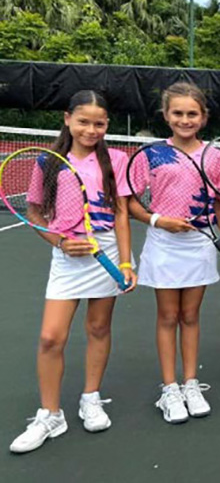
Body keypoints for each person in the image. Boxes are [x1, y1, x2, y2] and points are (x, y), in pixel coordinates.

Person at [10, 90, 136, 454]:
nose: (91, 130)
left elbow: (122, 214)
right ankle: (50, 414)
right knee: (51, 337)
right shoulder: (48, 162)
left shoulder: (117, 159)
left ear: (107, 125)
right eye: (83, 121)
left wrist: (125, 262)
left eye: (99, 123)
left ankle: (90, 398)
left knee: (98, 328)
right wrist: (60, 242)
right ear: (67, 119)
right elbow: (34, 212)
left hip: (106, 251)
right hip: (67, 255)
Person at [129, 82, 220, 424]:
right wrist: (159, 220)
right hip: (163, 245)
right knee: (168, 316)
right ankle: (170, 389)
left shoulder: (214, 156)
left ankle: (191, 384)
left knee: (191, 316)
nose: (185, 119)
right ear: (166, 116)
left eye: (192, 113)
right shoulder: (150, 154)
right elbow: (130, 203)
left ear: (203, 117)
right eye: (177, 113)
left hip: (200, 243)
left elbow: (219, 204)